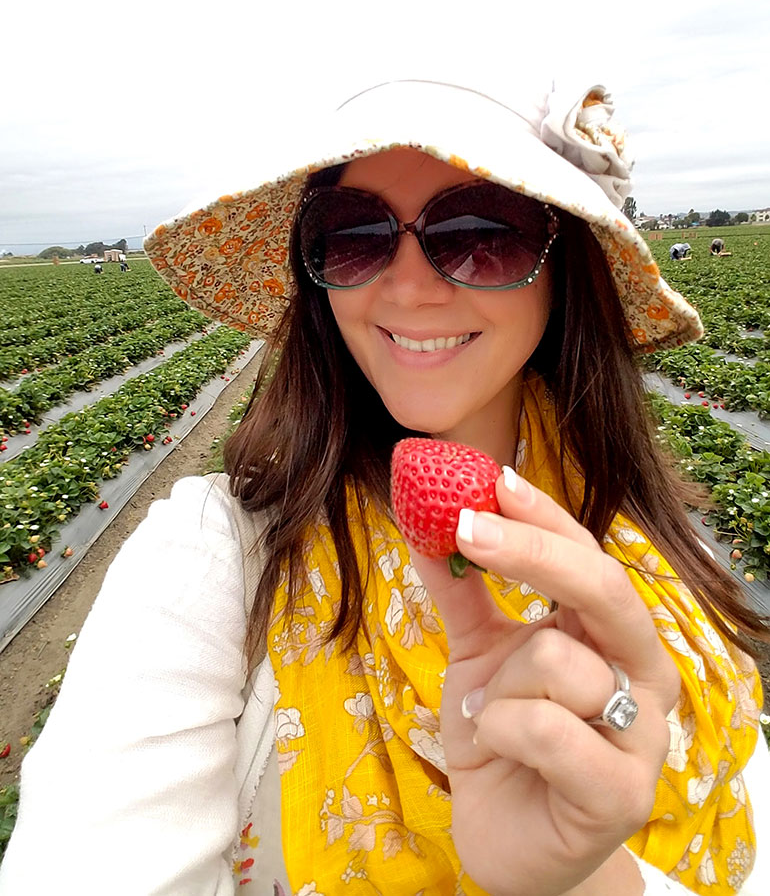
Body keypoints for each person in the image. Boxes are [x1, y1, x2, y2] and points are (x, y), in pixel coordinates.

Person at [1, 79, 768, 896]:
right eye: (354, 234)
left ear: (562, 263)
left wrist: (582, 878)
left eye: (480, 232)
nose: (408, 286)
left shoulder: (652, 556)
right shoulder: (211, 559)